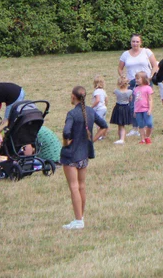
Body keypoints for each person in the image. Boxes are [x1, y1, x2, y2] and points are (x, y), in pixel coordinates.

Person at [61, 85, 107, 230]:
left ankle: (78, 220)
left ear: (73, 97)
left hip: (71, 155)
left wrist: (66, 143)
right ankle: (81, 216)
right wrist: (91, 140)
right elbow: (104, 126)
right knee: (81, 186)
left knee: (73, 187)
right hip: (84, 154)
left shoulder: (72, 114)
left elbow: (66, 132)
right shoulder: (90, 111)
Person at [118, 35, 157, 133]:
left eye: (137, 41)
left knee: (145, 104)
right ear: (130, 42)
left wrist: (151, 75)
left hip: (145, 81)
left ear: (141, 42)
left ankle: (146, 126)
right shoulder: (125, 54)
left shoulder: (146, 52)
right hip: (132, 81)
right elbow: (120, 68)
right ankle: (135, 127)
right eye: (133, 41)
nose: (135, 44)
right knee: (133, 105)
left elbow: (155, 65)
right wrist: (123, 77)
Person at [132, 73, 153, 144]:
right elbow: (135, 101)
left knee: (149, 124)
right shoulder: (136, 89)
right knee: (141, 125)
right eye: (136, 79)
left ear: (143, 79)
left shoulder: (148, 88)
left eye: (138, 78)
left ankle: (147, 136)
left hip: (146, 109)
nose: (136, 80)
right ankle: (142, 139)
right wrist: (135, 110)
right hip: (138, 110)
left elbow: (150, 99)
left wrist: (150, 109)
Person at [110, 77, 132, 144]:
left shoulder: (116, 91)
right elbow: (130, 99)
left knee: (120, 125)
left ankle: (121, 139)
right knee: (121, 125)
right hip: (125, 108)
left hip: (118, 108)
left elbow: (114, 92)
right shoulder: (130, 91)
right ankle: (120, 138)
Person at [91, 76, 108, 141]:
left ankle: (99, 136)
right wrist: (105, 105)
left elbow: (97, 100)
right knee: (104, 122)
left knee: (99, 123)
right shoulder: (103, 91)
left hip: (99, 109)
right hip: (104, 108)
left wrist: (92, 107)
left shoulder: (96, 91)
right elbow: (106, 99)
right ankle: (104, 135)